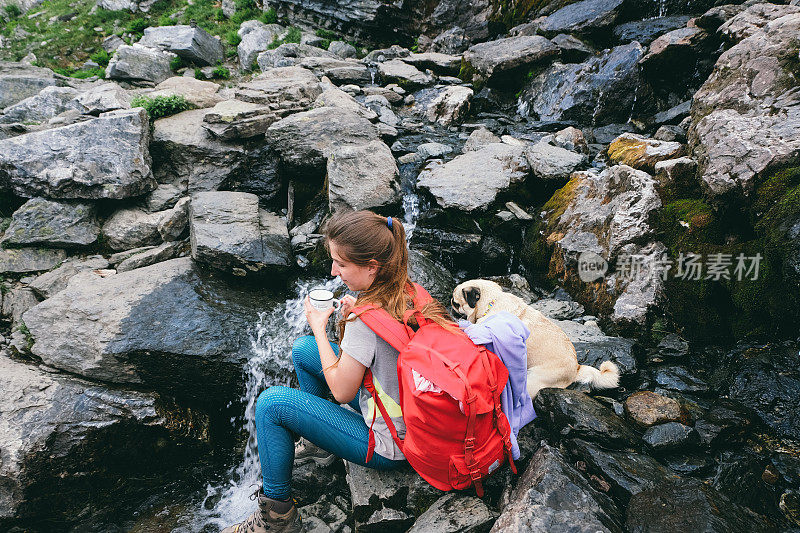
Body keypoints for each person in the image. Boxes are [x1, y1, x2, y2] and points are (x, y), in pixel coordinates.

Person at [222, 210, 457, 533]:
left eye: (341, 264)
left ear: (372, 267)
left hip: (392, 444)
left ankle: (277, 519)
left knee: (271, 404)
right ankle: (319, 446)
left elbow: (343, 391)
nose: (334, 271)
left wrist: (321, 328)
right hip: (414, 418)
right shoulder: (407, 291)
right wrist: (348, 321)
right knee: (303, 350)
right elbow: (375, 358)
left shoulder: (367, 318)